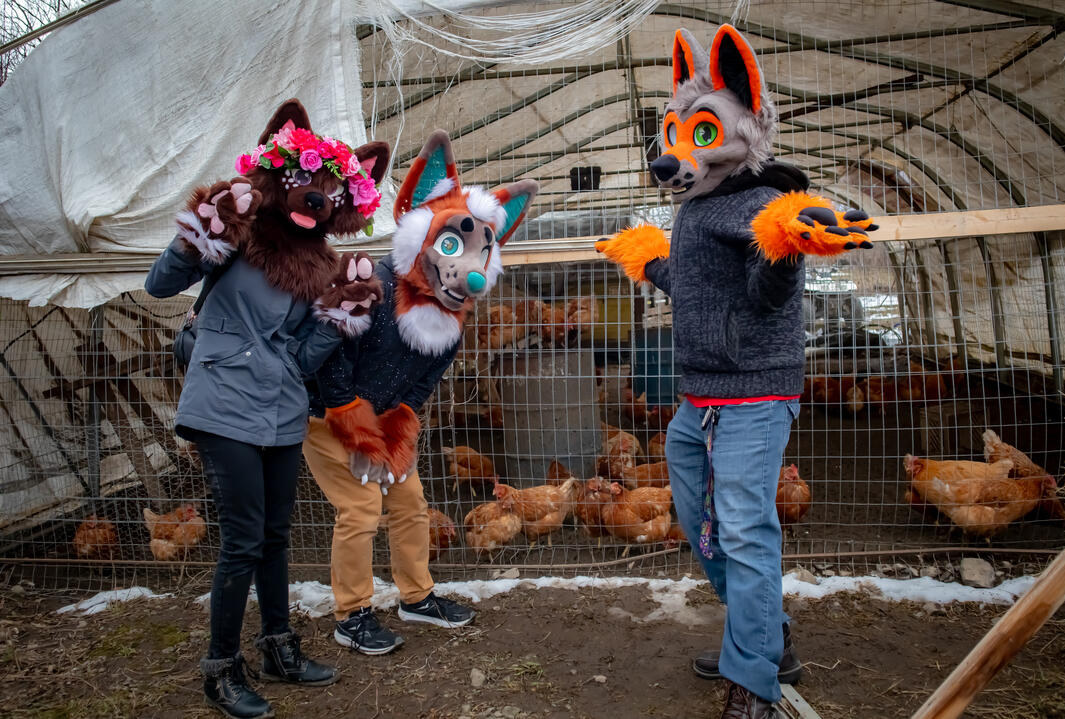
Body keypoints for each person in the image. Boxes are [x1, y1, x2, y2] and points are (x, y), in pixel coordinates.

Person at [595, 26, 876, 718]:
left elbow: (763, 295)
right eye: (673, 131)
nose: (674, 151)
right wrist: (647, 257)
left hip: (754, 392)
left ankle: (754, 679)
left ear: (743, 126)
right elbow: (695, 287)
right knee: (698, 522)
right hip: (699, 397)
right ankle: (766, 634)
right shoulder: (694, 209)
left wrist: (785, 251)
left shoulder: (755, 204)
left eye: (701, 130)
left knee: (746, 527)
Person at [145, 99, 389, 719]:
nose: (319, 199)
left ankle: (279, 645)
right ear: (282, 179)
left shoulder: (322, 267)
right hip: (223, 401)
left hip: (280, 409)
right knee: (243, 540)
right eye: (308, 185)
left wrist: (341, 319)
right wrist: (202, 232)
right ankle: (221, 669)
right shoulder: (241, 232)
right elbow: (160, 285)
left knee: (277, 537)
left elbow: (302, 359)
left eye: (331, 194)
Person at [303, 130, 538, 654]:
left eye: (480, 252)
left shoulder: (450, 317)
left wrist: (400, 424)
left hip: (386, 416)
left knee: (410, 503)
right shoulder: (375, 288)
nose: (467, 271)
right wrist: (355, 427)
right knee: (361, 509)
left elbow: (427, 379)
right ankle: (352, 614)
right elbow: (331, 362)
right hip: (328, 414)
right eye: (453, 244)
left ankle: (416, 596)